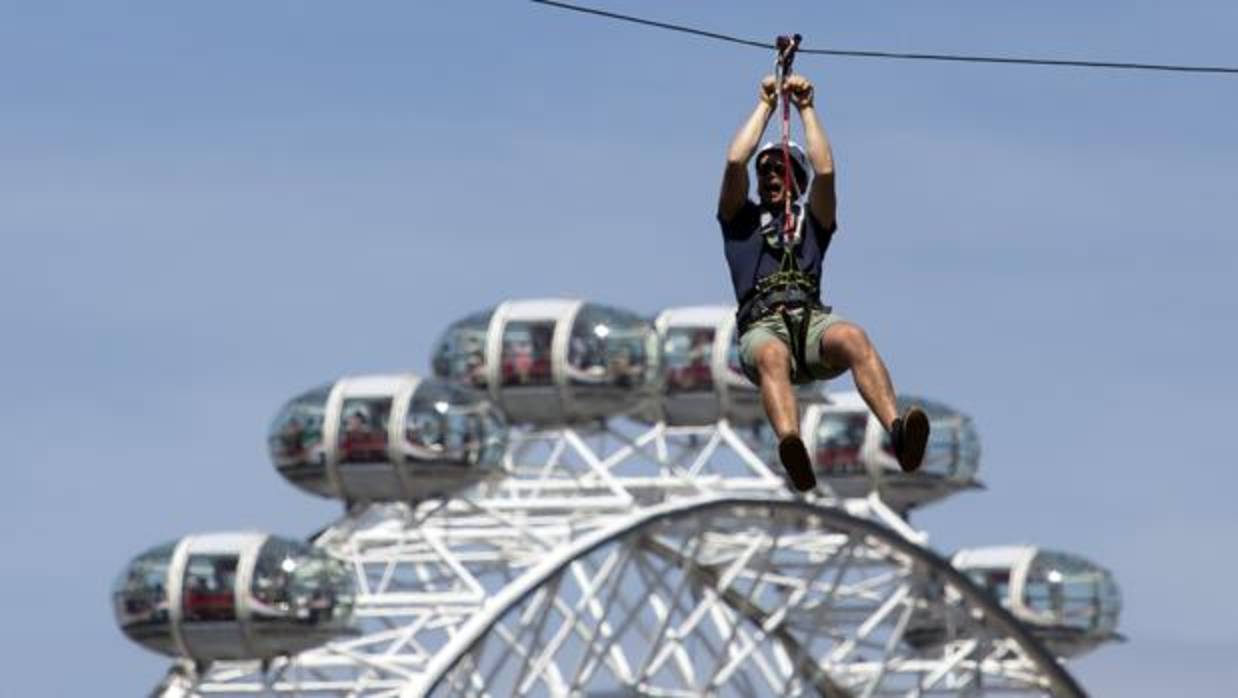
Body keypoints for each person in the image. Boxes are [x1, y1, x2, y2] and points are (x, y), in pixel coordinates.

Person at [717, 72, 929, 491]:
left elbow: (826, 171)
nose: (770, 177)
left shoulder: (813, 223)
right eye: (766, 173)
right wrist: (765, 104)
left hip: (810, 320)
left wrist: (806, 109)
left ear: (797, 180)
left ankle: (897, 431)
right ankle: (792, 444)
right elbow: (734, 162)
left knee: (852, 336)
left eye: (780, 171)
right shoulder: (739, 222)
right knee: (773, 355)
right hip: (762, 326)